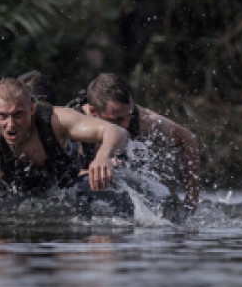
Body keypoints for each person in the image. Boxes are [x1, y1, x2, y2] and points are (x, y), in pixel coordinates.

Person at [0, 78, 128, 194]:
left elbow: (116, 131)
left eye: (19, 115)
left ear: (32, 109)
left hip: (65, 193)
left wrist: (103, 155)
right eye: (2, 116)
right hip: (4, 205)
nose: (10, 125)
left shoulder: (56, 120)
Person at [73, 73, 202, 211]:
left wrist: (191, 200)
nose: (124, 125)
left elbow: (188, 140)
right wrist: (98, 169)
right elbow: (59, 180)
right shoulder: (72, 125)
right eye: (116, 120)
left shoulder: (140, 119)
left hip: (132, 191)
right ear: (93, 111)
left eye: (128, 116)